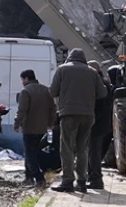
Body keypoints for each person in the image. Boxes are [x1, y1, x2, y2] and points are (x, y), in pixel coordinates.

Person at [48, 49, 108, 193]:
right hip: (87, 115)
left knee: (67, 147)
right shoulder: (92, 72)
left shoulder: (62, 70)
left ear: (69, 58)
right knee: (83, 148)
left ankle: (67, 181)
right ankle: (81, 182)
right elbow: (103, 93)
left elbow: (52, 91)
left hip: (68, 114)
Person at [14, 69, 57, 187]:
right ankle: (28, 177)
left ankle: (38, 178)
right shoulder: (46, 90)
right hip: (42, 127)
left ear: (26, 78)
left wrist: (17, 123)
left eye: (22, 79)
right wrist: (51, 122)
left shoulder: (25, 91)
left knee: (29, 153)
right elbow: (53, 108)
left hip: (29, 127)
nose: (22, 82)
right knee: (33, 151)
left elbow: (22, 110)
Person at [86, 61, 115, 190]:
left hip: (97, 123)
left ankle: (96, 179)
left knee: (94, 153)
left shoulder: (100, 84)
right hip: (102, 123)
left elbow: (99, 106)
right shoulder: (104, 83)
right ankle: (91, 176)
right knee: (94, 152)